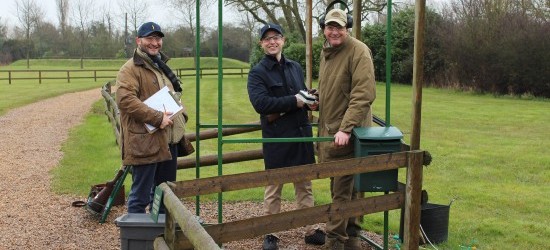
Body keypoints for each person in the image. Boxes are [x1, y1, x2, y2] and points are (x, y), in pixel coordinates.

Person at [247, 23, 326, 250]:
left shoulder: (295, 67)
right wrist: (295, 101)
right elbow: (261, 104)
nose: (272, 42)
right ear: (262, 43)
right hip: (277, 138)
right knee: (274, 189)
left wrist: (309, 102)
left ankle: (310, 230)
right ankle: (270, 233)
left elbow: (300, 95)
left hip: (300, 133)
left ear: (283, 40)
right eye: (267, 38)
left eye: (276, 37)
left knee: (305, 186)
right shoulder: (257, 72)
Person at [316, 8, 377, 250]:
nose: (334, 31)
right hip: (332, 131)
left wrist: (346, 128)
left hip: (347, 135)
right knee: (347, 190)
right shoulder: (328, 51)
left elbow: (363, 94)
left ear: (347, 28)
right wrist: (317, 98)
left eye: (339, 27)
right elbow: (336, 89)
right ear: (324, 29)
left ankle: (335, 243)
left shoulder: (358, 51)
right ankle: (351, 239)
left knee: (341, 192)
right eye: (330, 27)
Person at [116, 21, 187, 214]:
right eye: (150, 38)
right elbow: (125, 100)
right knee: (140, 196)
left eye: (158, 39)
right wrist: (157, 118)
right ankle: (135, 240)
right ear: (139, 40)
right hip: (144, 142)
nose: (155, 43)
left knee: (166, 196)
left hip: (167, 141)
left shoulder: (160, 66)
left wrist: (181, 113)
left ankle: (161, 239)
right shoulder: (129, 69)